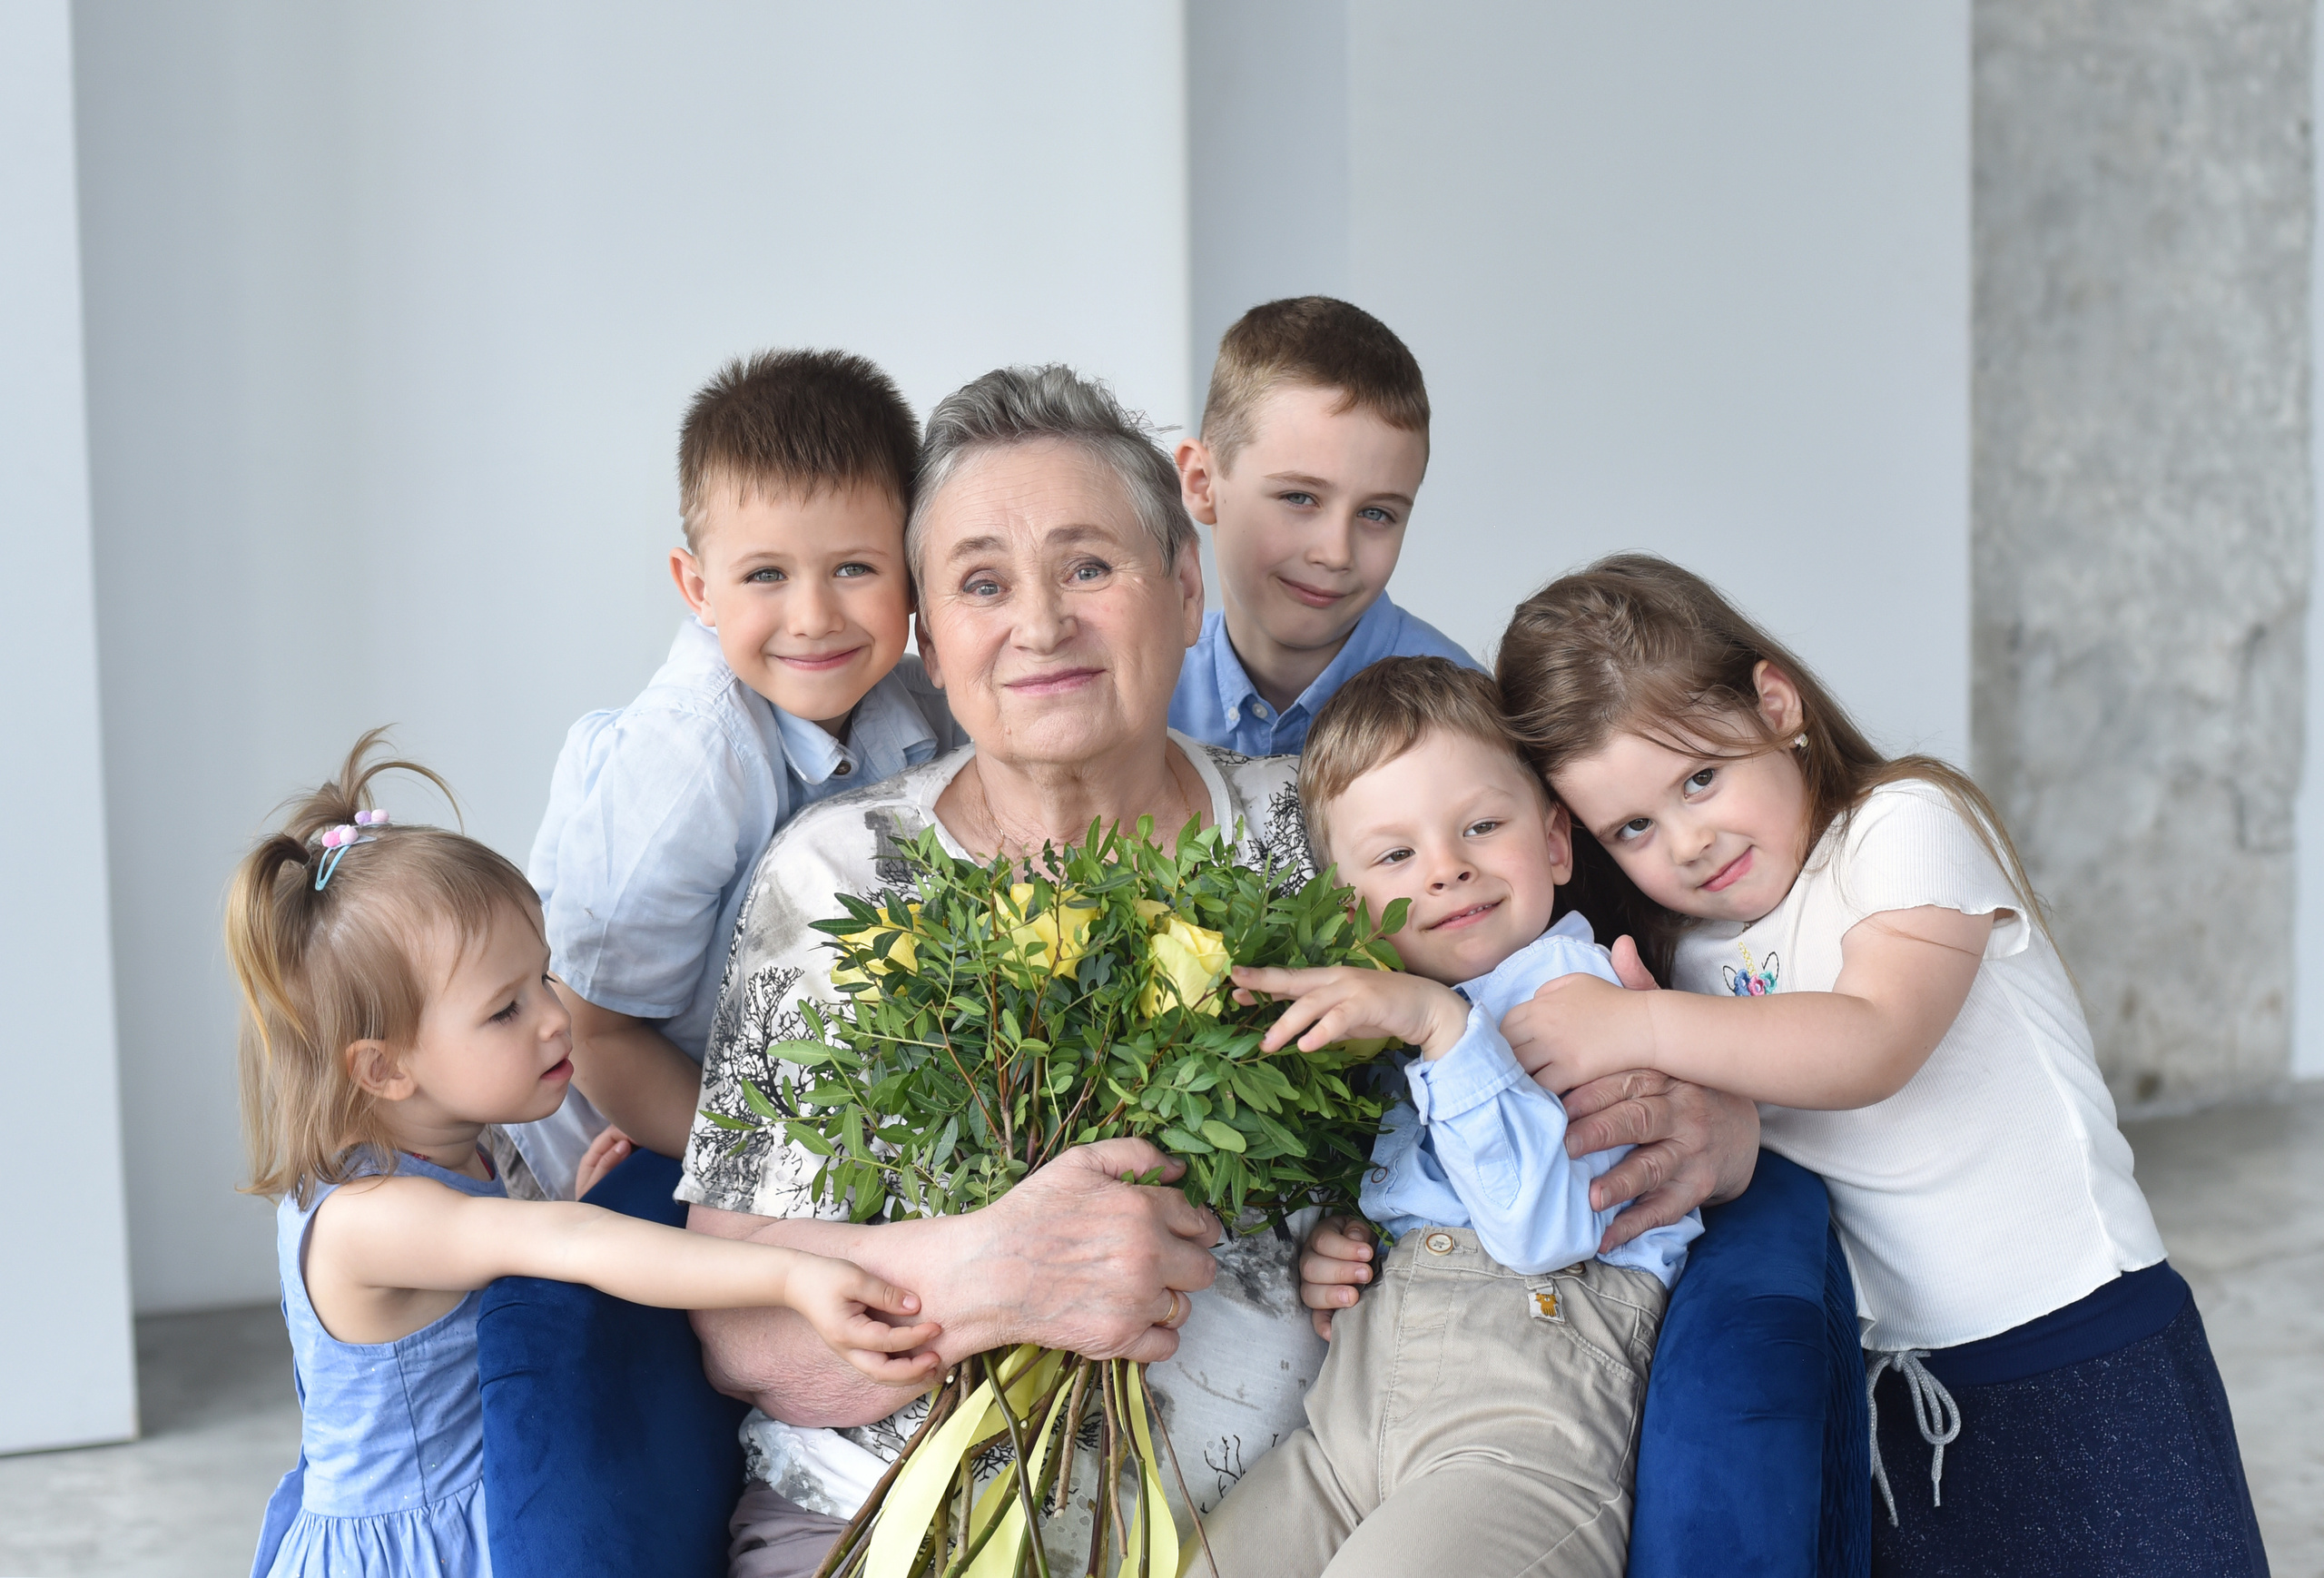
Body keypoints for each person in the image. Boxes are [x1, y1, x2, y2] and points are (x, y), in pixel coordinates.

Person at [675, 367, 1761, 1578]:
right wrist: (993, 1278)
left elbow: (1552, 996)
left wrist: (1713, 1114)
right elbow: (743, 1322)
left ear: (1187, 591)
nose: (1040, 623)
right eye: (984, 583)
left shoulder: (1336, 842)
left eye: (1090, 565)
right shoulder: (837, 876)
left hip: (1287, 1514)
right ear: (933, 639)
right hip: (894, 1521)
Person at [1498, 554, 2268, 1577]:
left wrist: (1635, 1030)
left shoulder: (1900, 827)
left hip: (2085, 1344)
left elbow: (1871, 1040)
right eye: (1633, 826)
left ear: (1775, 705)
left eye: (1699, 777)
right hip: (1902, 1390)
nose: (1686, 839)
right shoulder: (1686, 954)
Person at [228, 735, 941, 1578]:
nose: (554, 1017)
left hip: (492, 1497)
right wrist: (790, 1275)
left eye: (545, 977)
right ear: (384, 1068)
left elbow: (520, 1251)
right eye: (504, 1010)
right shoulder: (368, 1219)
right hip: (420, 1549)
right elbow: (568, 1246)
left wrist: (571, 1204)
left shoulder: (458, 1145)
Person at [1200, 657, 1699, 1578]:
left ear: (1554, 843)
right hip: (1345, 1440)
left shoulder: (1585, 997)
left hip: (1521, 1438)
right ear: (1347, 906)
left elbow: (1545, 1229)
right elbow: (1431, 1204)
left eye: (1480, 825)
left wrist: (1445, 1028)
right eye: (1395, 855)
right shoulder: (1400, 1029)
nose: (1447, 868)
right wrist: (1347, 1247)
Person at [518, 350, 962, 1197]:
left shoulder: (919, 707)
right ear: (698, 587)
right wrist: (799, 1169)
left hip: (782, 1105)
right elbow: (594, 1033)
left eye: (855, 569)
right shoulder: (691, 755)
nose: (814, 618)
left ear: (913, 570)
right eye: (766, 575)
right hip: (607, 1142)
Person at [1169, 296, 1480, 756]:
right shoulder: (1146, 694)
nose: (1336, 553)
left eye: (1377, 513)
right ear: (1201, 482)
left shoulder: (1468, 723)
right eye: (1299, 498)